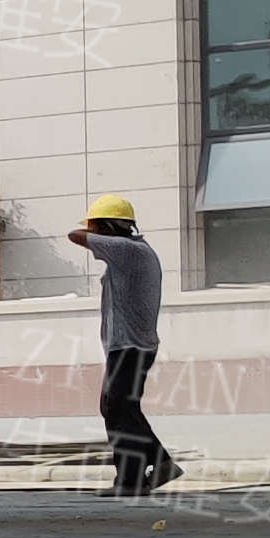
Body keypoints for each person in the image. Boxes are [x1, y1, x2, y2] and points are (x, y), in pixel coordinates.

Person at [66, 193, 178, 497]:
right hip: (128, 347)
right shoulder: (133, 253)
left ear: (109, 227)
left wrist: (94, 232)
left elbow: (74, 235)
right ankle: (146, 471)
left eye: (97, 227)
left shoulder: (129, 250)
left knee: (118, 407)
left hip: (130, 347)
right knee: (118, 407)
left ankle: (139, 475)